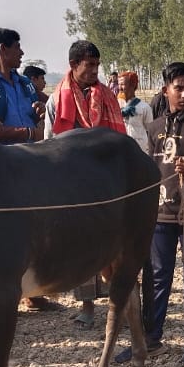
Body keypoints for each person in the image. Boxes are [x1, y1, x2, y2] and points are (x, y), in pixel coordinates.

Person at [114, 61, 184, 367]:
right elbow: (148, 170)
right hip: (159, 216)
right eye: (178, 88)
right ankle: (150, 338)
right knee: (157, 278)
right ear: (165, 90)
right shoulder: (155, 128)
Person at [47, 40, 127, 325]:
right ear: (73, 66)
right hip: (72, 185)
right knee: (81, 248)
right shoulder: (56, 99)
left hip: (105, 183)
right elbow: (48, 145)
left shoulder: (107, 96)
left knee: (112, 245)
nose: (94, 70)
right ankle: (87, 307)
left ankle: (122, 306)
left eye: (97, 65)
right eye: (89, 65)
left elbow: (119, 139)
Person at [0, 28, 43, 140]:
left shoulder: (26, 83)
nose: (22, 52)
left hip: (34, 151)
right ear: (3, 48)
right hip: (4, 154)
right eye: (17, 47)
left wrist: (42, 110)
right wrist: (28, 133)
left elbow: (37, 115)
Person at [118, 70, 155, 155]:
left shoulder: (144, 107)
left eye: (123, 84)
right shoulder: (114, 106)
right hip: (120, 149)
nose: (120, 88)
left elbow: (150, 131)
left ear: (133, 85)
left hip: (139, 150)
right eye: (118, 84)